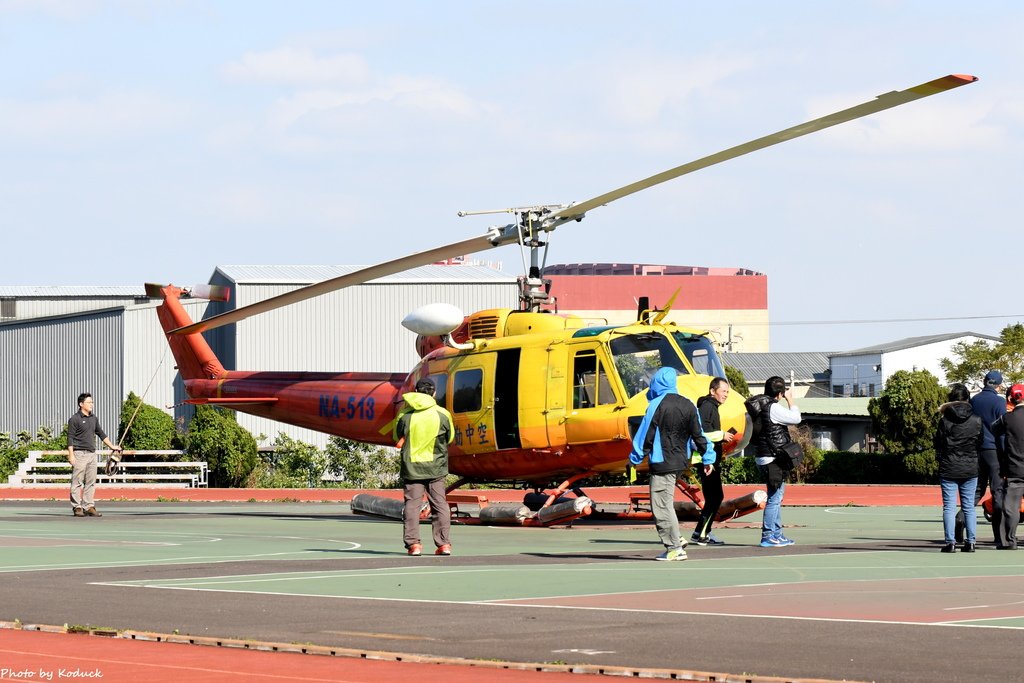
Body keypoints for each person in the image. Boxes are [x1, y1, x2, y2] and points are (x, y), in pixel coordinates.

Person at [630, 367, 711, 561]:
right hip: (681, 461)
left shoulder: (655, 405)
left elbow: (644, 436)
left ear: (657, 383)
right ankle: (677, 539)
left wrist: (634, 459)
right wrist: (708, 458)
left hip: (661, 462)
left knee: (660, 505)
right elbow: (699, 435)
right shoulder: (688, 404)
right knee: (666, 503)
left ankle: (674, 547)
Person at [394, 378, 454, 556]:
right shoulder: (443, 414)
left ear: (416, 391)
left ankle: (414, 546)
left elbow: (396, 435)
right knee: (440, 504)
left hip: (412, 467)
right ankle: (444, 545)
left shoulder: (405, 414)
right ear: (434, 393)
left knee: (412, 505)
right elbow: (449, 438)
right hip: (436, 466)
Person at [745, 376, 801, 547]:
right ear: (780, 393)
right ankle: (768, 535)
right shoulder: (773, 407)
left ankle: (777, 533)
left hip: (764, 456)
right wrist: (791, 400)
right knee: (774, 498)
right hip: (772, 458)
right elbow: (796, 418)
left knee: (776, 496)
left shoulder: (760, 407)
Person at [935, 383, 983, 552]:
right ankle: (971, 542)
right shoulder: (977, 419)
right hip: (970, 467)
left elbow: (938, 444)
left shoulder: (945, 420)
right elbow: (980, 442)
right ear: (967, 398)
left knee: (949, 506)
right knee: (968, 506)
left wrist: (941, 459)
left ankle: (950, 542)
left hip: (949, 467)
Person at [962, 370, 1007, 545]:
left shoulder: (974, 401)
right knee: (997, 492)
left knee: (976, 490)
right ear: (999, 384)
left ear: (984, 381)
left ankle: (960, 520)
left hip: (976, 449)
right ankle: (998, 535)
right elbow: (1002, 431)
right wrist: (1004, 454)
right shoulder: (999, 402)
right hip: (994, 451)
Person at [691, 377, 736, 546]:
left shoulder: (711, 406)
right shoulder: (707, 406)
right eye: (723, 391)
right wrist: (721, 435)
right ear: (712, 391)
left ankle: (701, 532)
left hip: (709, 459)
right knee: (715, 497)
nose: (726, 395)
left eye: (727, 392)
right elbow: (700, 434)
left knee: (714, 497)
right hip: (705, 460)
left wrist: (720, 438)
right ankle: (701, 534)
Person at [67, 392, 121, 517]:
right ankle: (77, 507)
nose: (92, 404)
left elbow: (101, 433)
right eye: (89, 402)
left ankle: (88, 505)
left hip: (92, 454)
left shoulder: (93, 418)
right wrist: (71, 455)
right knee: (77, 481)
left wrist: (112, 446)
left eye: (92, 402)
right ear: (81, 404)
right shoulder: (74, 419)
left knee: (91, 481)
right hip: (79, 453)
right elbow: (70, 438)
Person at [993, 383, 1024, 549]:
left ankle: (1009, 540)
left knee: (1011, 507)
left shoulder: (1007, 418)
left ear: (1011, 398)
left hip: (1015, 468)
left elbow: (993, 428)